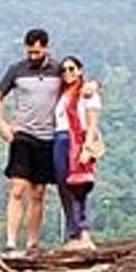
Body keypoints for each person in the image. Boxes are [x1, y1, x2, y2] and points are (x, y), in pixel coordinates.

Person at [0, 28, 61, 253]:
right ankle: (10, 241)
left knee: (38, 192)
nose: (33, 56)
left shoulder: (58, 70)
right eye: (30, 52)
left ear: (46, 48)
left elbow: (78, 84)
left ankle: (32, 243)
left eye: (37, 52)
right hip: (23, 135)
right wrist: (1, 122)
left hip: (48, 137)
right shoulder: (17, 70)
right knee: (18, 188)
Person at [51, 57, 104, 247]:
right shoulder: (62, 94)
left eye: (71, 69)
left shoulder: (86, 94)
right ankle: (71, 232)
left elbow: (92, 123)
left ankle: (83, 230)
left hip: (77, 141)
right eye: (64, 70)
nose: (68, 73)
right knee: (64, 187)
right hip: (59, 140)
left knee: (79, 187)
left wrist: (86, 147)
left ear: (80, 70)